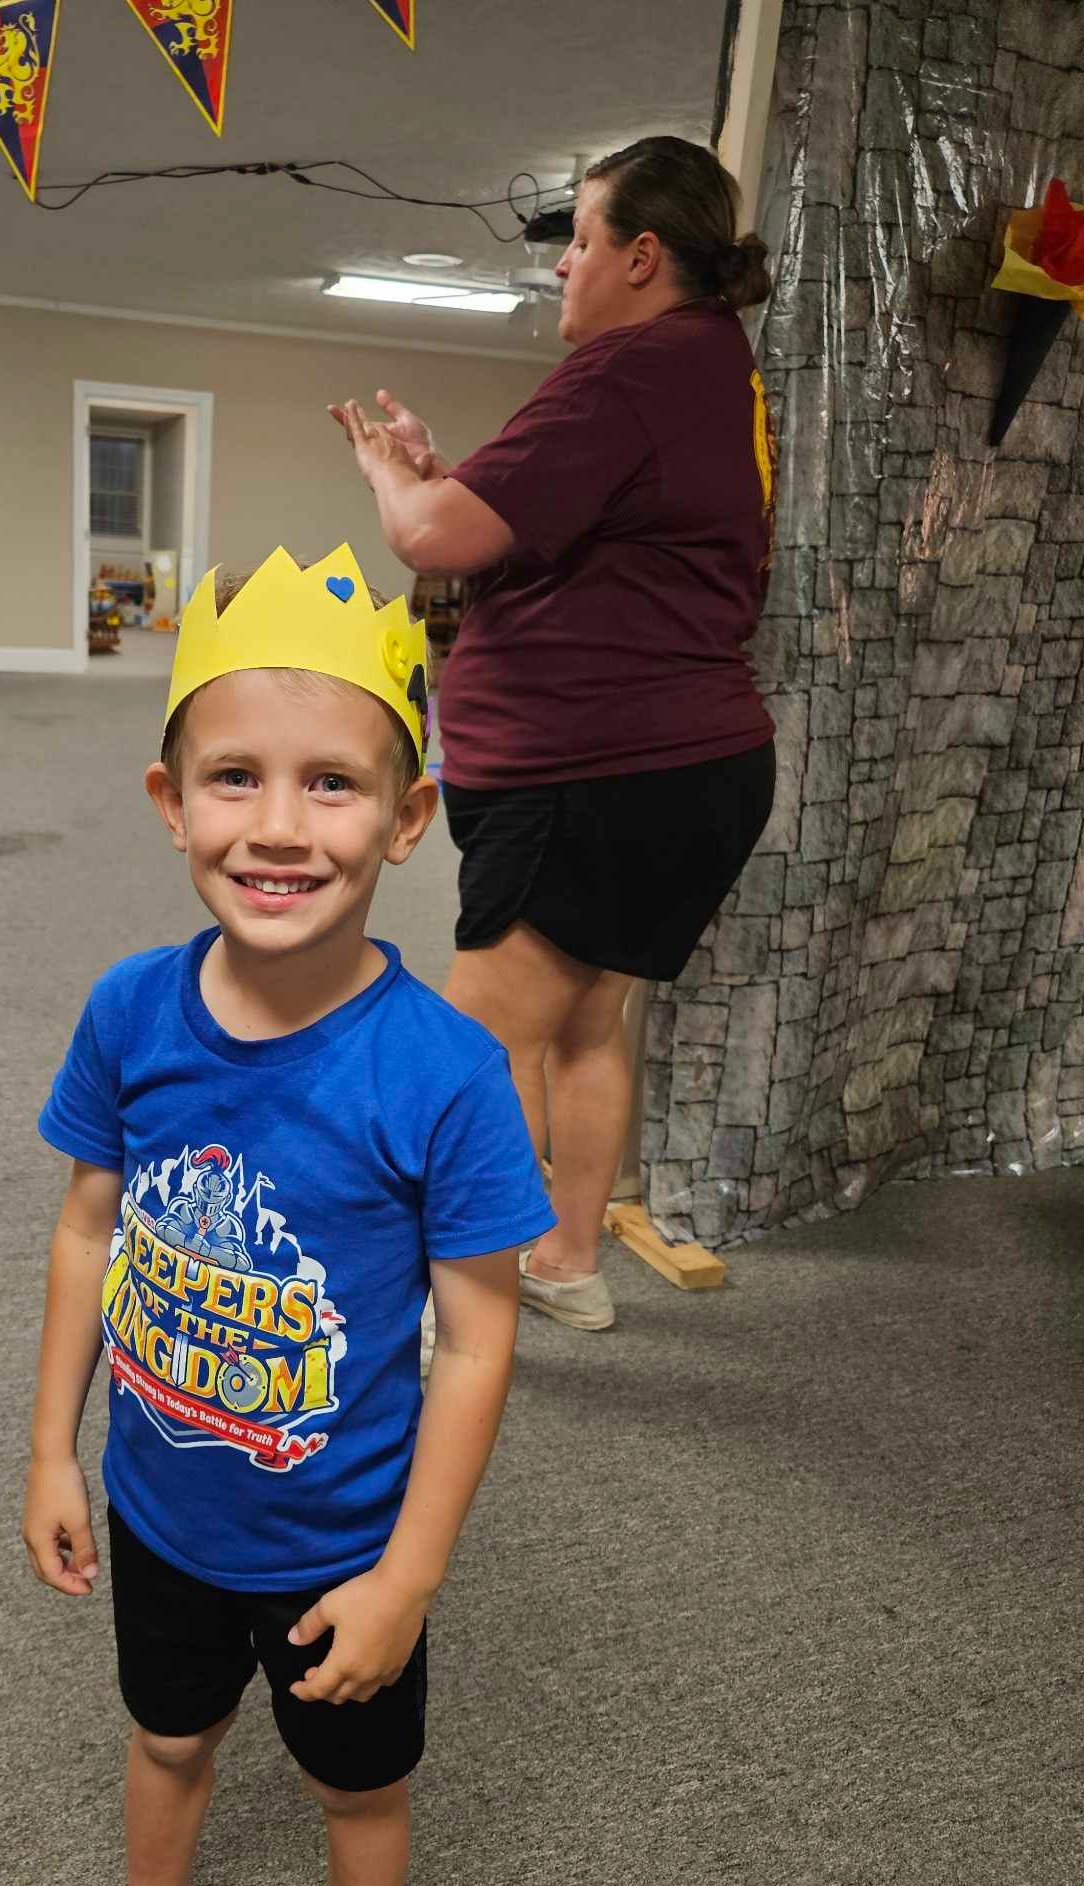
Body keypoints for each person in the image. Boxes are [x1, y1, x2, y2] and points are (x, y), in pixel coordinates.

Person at [22, 544, 555, 1886]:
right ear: (168, 802)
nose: (276, 826)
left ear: (407, 819)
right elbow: (85, 1232)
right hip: (163, 1512)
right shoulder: (131, 1011)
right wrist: (54, 1447)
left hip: (345, 1545)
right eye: (235, 778)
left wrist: (410, 1579)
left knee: (358, 1787)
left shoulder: (444, 1072)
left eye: (330, 785)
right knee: (166, 1737)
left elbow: (479, 1334)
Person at [332, 134, 778, 1336]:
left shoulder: (628, 372)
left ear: (642, 255)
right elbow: (536, 526)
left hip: (598, 768)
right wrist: (441, 480)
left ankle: (420, 1313)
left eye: (580, 241)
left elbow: (433, 541)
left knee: (464, 1048)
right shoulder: (709, 367)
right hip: (685, 764)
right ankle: (565, 1259)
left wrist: (391, 477)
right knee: (586, 1024)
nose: (564, 267)